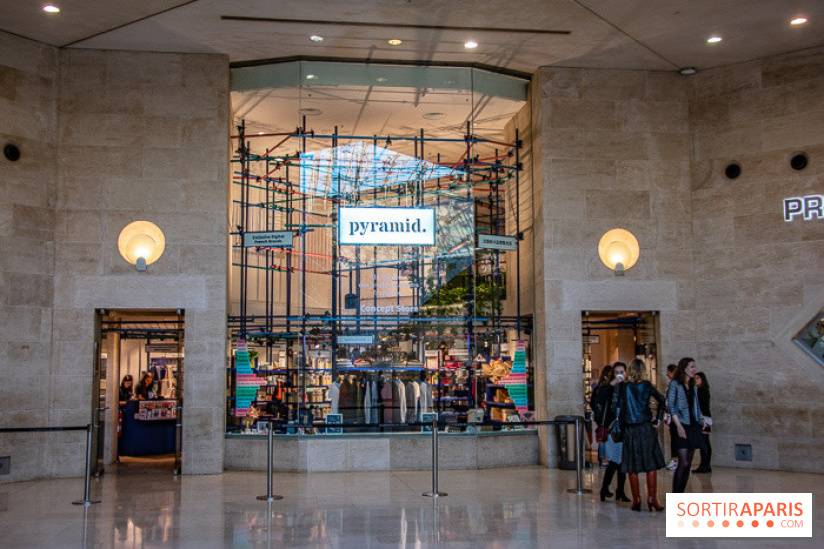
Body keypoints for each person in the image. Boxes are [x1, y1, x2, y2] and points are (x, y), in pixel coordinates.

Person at [615, 358, 666, 512]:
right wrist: (657, 419)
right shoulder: (647, 386)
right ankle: (652, 498)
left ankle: (636, 499)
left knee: (632, 465)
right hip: (645, 427)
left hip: (630, 428)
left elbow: (619, 407)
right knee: (650, 463)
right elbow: (662, 400)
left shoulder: (623, 387)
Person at [667, 357, 708, 493]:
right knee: (683, 462)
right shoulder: (675, 384)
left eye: (694, 367)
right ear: (684, 368)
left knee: (688, 464)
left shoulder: (692, 385)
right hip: (680, 424)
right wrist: (678, 425)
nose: (694, 369)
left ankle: (681, 495)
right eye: (691, 367)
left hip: (692, 425)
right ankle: (675, 495)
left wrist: (701, 419)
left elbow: (695, 404)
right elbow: (671, 406)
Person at [598, 362, 630, 503]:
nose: (620, 374)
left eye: (622, 372)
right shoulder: (607, 387)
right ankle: (606, 488)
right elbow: (598, 399)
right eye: (617, 372)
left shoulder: (628, 387)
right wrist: (611, 385)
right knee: (615, 461)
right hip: (612, 428)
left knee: (622, 460)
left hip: (625, 427)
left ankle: (619, 490)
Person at [590, 365, 614, 467]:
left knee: (602, 437)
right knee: (605, 437)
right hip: (605, 417)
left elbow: (593, 402)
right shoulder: (606, 387)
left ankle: (602, 459)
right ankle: (605, 459)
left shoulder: (598, 387)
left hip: (600, 417)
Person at [693, 372, 712, 473]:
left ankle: (704, 465)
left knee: (704, 443)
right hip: (706, 417)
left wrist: (702, 419)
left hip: (703, 418)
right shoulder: (703, 390)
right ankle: (705, 465)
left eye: (698, 378)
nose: (696, 380)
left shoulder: (701, 390)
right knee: (705, 442)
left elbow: (701, 405)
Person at [664, 364, 679, 470]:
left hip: (675, 415)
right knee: (674, 438)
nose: (667, 375)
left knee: (675, 438)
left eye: (668, 372)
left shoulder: (676, 385)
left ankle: (675, 459)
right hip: (672, 415)